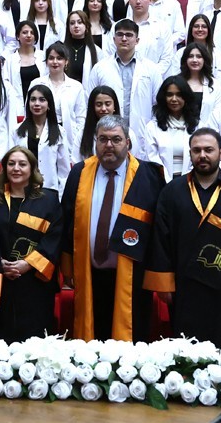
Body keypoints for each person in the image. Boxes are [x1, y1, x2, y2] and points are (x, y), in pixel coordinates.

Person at [143, 128, 221, 344]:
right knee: (185, 345)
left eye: (208, 150)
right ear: (190, 154)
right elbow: (160, 238)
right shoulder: (172, 192)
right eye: (197, 150)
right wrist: (164, 283)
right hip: (184, 286)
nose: (202, 155)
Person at [55, 115, 166, 341]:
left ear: (128, 143)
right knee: (92, 339)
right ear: (95, 142)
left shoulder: (148, 175)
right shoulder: (79, 173)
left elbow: (159, 230)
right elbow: (66, 221)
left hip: (133, 277)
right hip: (89, 273)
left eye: (116, 139)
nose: (109, 145)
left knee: (131, 340)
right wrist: (67, 268)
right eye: (103, 139)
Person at [0, 145, 62, 340]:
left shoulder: (49, 200)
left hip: (35, 282)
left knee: (34, 339)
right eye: (11, 164)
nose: (16, 168)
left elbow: (54, 238)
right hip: (0, 279)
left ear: (32, 168)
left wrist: (27, 264)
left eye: (22, 164)